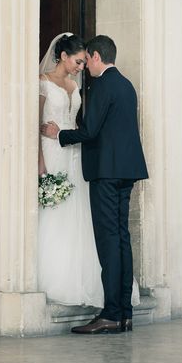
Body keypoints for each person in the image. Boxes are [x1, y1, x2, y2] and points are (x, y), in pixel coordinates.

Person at [41, 35, 148, 334]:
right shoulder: (126, 85)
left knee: (108, 242)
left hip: (105, 173)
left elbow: (89, 132)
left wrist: (58, 135)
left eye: (87, 60)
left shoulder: (102, 85)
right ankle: (125, 313)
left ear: (97, 56)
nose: (85, 67)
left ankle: (111, 313)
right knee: (122, 240)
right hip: (127, 172)